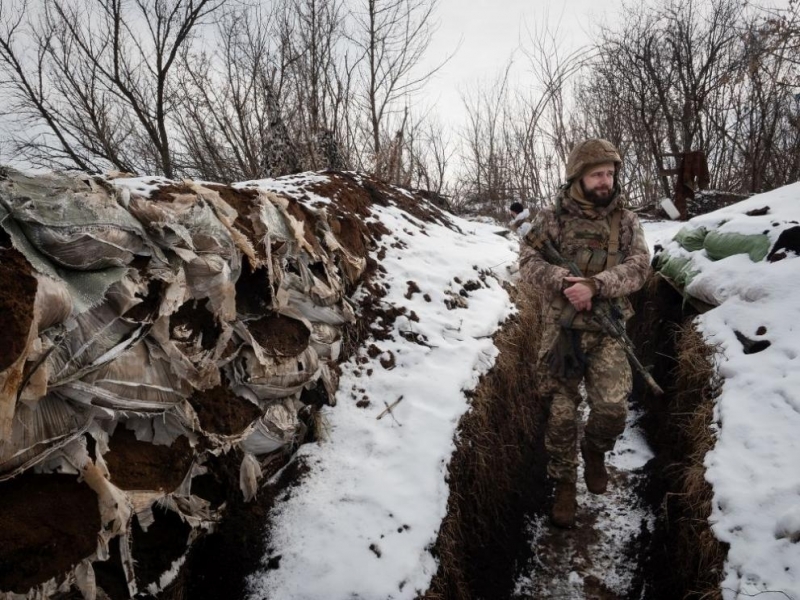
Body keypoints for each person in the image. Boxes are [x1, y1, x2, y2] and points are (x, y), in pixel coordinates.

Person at [519, 138, 651, 528]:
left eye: (610, 173)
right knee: (560, 415)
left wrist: (597, 285)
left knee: (611, 409)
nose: (605, 181)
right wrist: (562, 281)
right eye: (597, 174)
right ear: (578, 177)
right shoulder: (551, 218)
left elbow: (641, 266)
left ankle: (595, 451)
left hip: (606, 329)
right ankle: (563, 485)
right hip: (560, 330)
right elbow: (528, 261)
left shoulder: (625, 220)